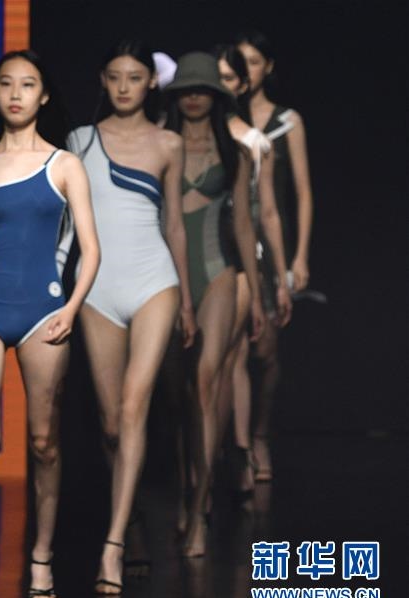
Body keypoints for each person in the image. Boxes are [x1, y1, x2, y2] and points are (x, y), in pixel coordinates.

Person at [0, 49, 100, 598]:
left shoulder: (65, 165)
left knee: (44, 442)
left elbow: (90, 249)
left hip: (45, 310)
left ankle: (41, 558)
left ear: (44, 95)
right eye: (5, 83)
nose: (15, 93)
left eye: (27, 84)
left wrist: (73, 308)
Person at [65, 39, 196, 595]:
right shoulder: (79, 141)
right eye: (115, 76)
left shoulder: (169, 143)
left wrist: (185, 299)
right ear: (104, 80)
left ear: (151, 82)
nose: (124, 86)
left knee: (134, 406)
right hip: (97, 288)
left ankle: (114, 544)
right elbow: (66, 222)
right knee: (112, 425)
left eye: (135, 77)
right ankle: (134, 515)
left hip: (154, 282)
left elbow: (175, 224)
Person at [162, 52, 265, 557]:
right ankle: (187, 490)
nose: (195, 97)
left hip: (220, 272)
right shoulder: (161, 144)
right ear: (177, 95)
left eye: (203, 89)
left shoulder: (236, 152)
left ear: (218, 96)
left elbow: (244, 225)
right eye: (187, 89)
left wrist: (257, 296)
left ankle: (201, 507)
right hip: (167, 275)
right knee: (180, 396)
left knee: (204, 385)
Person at [236, 30, 315, 481]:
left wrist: (299, 257)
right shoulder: (223, 118)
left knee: (265, 350)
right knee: (227, 353)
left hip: (271, 246)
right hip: (229, 240)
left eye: (253, 61)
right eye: (239, 62)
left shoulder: (287, 122)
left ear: (268, 67)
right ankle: (235, 448)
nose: (246, 71)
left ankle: (260, 433)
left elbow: (302, 193)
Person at [214, 44, 292, 497]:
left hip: (244, 258)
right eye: (216, 77)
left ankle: (240, 450)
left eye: (229, 78)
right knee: (203, 367)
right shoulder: (179, 136)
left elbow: (269, 212)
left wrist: (281, 277)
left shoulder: (256, 142)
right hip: (196, 257)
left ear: (242, 84)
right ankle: (208, 460)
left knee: (238, 356)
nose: (221, 86)